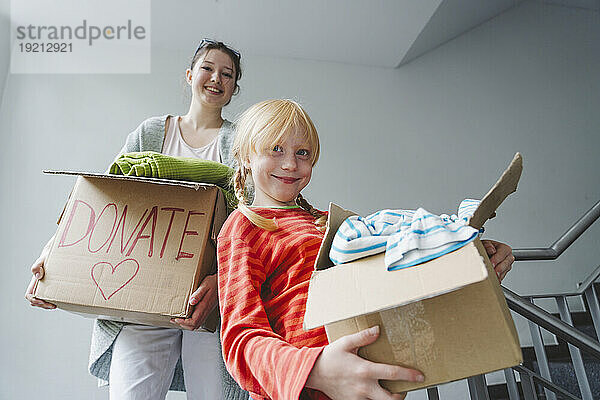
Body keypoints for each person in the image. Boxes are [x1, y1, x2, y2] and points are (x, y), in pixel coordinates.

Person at [216, 99, 515, 400]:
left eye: (302, 153)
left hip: (367, 385)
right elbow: (241, 339)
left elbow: (395, 275)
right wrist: (315, 369)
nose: (291, 164)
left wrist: (470, 255)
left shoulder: (333, 226)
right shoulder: (244, 226)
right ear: (245, 157)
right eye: (276, 149)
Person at [25, 40, 248, 400]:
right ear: (190, 75)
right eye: (208, 68)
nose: (216, 78)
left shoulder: (238, 142)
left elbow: (247, 218)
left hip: (208, 303)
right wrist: (52, 256)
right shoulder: (152, 132)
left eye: (227, 74)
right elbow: (104, 196)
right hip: (144, 301)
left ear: (234, 88)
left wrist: (220, 280)